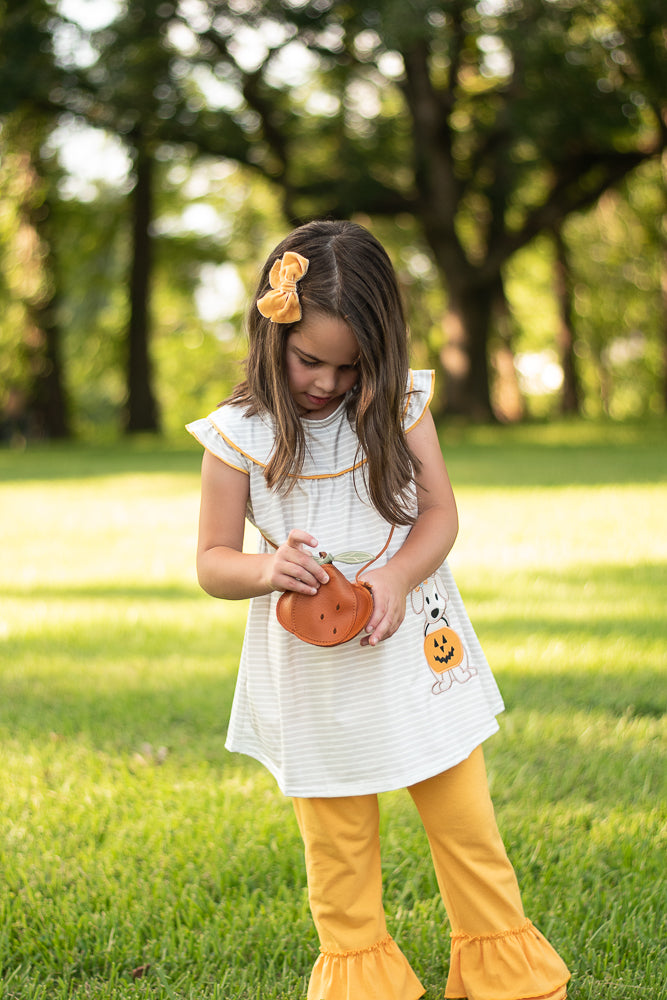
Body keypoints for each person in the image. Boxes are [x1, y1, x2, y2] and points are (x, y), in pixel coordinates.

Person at [186, 219, 570, 1000]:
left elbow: (439, 518)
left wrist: (393, 577)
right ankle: (366, 981)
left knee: (465, 825)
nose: (325, 382)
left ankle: (507, 977)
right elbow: (212, 562)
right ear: (272, 336)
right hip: (313, 670)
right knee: (338, 847)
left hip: (411, 651)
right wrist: (267, 568)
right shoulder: (238, 438)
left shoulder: (398, 405)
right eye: (308, 361)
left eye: (347, 366)